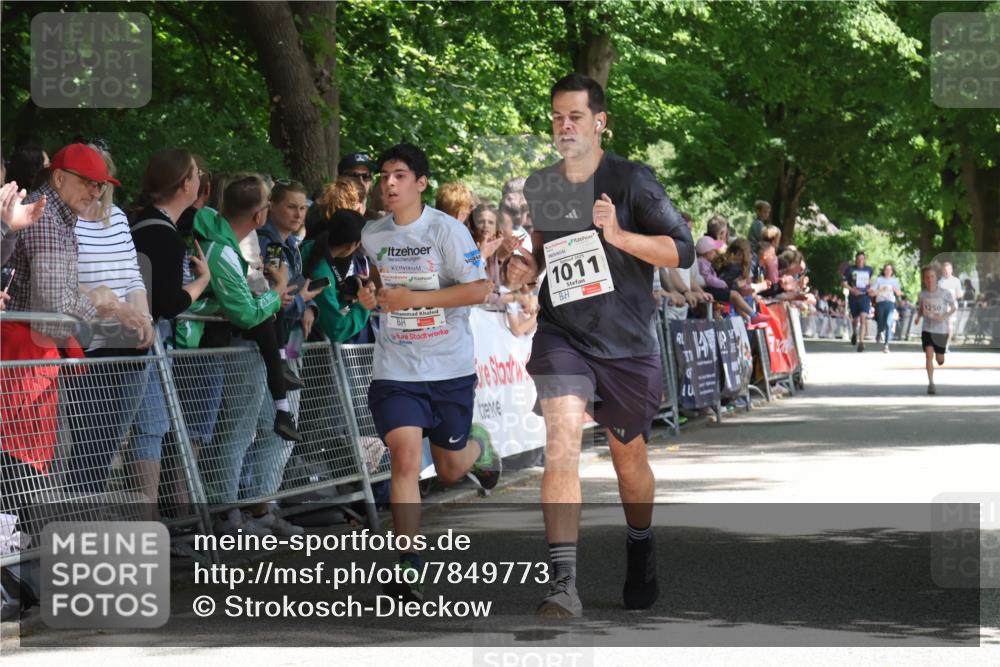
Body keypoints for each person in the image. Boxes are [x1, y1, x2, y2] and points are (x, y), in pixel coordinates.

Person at [517, 73, 694, 617]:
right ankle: (562, 584)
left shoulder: (632, 180)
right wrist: (526, 265)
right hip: (563, 333)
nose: (563, 126)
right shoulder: (541, 185)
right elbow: (549, 257)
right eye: (556, 117)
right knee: (563, 438)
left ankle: (640, 542)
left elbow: (681, 251)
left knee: (628, 460)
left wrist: (618, 236)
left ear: (599, 122)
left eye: (574, 116)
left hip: (626, 341)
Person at [358, 143, 497, 602]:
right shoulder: (373, 235)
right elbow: (382, 288)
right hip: (396, 366)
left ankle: (478, 447)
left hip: (448, 366)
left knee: (451, 469)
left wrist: (416, 301)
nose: (389, 184)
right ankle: (408, 563)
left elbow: (479, 288)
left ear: (421, 183)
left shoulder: (449, 231)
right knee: (403, 457)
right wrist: (372, 298)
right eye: (383, 176)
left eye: (399, 175)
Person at [65, 142, 160, 497]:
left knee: (107, 443)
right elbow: (66, 280)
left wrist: (144, 316)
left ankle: (87, 516)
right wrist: (114, 306)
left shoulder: (117, 217)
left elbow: (133, 275)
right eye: (88, 179)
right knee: (83, 443)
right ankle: (72, 519)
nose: (96, 187)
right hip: (83, 344)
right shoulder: (63, 217)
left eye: (102, 179)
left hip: (127, 344)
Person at [130, 148, 213, 515]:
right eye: (197, 174)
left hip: (140, 342)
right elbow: (165, 303)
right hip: (141, 346)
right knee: (149, 428)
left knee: (151, 427)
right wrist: (202, 282)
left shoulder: (146, 225)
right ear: (185, 185)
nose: (201, 180)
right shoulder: (161, 235)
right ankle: (147, 525)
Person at [190, 174, 303, 442]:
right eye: (291, 206)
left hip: (282, 337)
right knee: (232, 436)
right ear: (263, 214)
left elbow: (272, 290)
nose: (299, 214)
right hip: (213, 344)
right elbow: (250, 308)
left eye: (303, 208)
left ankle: (283, 396)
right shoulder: (246, 243)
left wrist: (299, 302)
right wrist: (279, 291)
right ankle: (282, 406)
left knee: (215, 436)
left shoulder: (289, 246)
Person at [6, 143, 146, 342]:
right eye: (88, 182)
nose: (95, 192)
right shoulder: (44, 217)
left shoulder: (57, 217)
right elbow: (54, 319)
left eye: (100, 185)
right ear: (59, 178)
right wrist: (96, 299)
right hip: (22, 355)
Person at [300, 208, 372, 343]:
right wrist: (364, 305)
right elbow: (337, 329)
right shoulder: (323, 275)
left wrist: (345, 292)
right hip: (296, 346)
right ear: (351, 246)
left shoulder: (311, 247)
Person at [914, 265, 956, 395]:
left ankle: (941, 357)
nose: (930, 279)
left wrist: (944, 316)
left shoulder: (945, 293)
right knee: (928, 355)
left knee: (940, 360)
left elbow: (953, 307)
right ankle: (931, 382)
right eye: (927, 277)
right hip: (927, 329)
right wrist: (918, 317)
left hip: (941, 330)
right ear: (923, 280)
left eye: (932, 276)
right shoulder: (922, 294)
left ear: (936, 277)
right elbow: (921, 308)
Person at [842, 251, 873, 352]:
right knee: (855, 320)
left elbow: (870, 282)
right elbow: (844, 283)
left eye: (862, 259)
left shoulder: (869, 269)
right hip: (854, 297)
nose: (860, 261)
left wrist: (870, 288)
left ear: (864, 260)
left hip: (864, 297)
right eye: (858, 259)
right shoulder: (850, 269)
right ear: (856, 259)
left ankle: (861, 342)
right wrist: (852, 290)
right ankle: (854, 332)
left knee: (863, 318)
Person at [871, 263, 902, 353]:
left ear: (892, 271)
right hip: (880, 303)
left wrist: (894, 289)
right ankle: (879, 331)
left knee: (889, 323)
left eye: (890, 270)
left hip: (890, 303)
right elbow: (872, 293)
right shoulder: (879, 280)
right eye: (886, 269)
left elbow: (899, 293)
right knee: (880, 321)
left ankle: (886, 345)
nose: (888, 271)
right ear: (884, 271)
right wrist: (880, 290)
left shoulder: (895, 281)